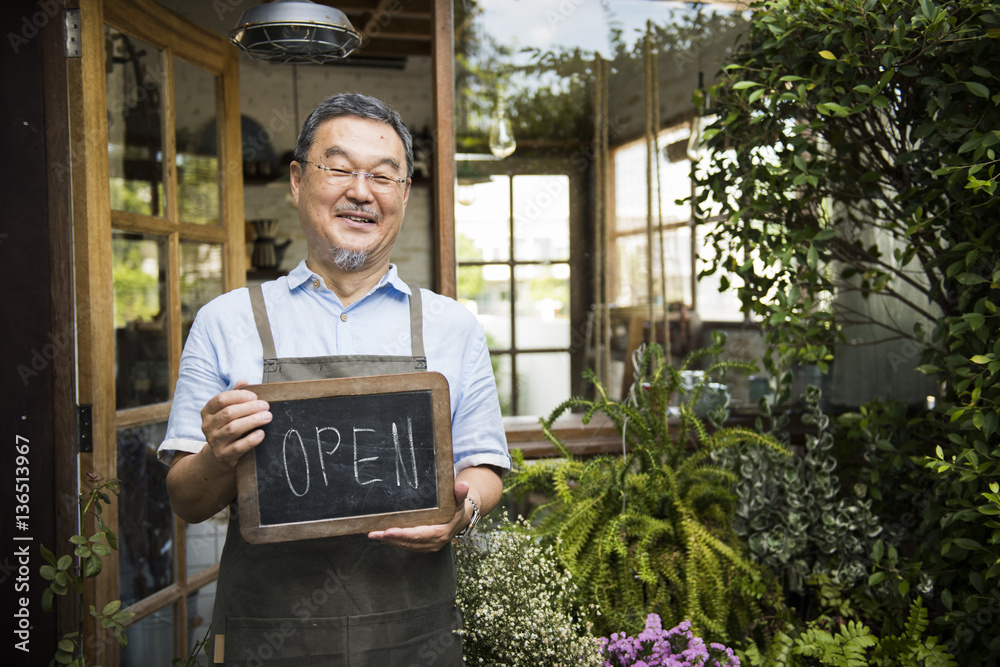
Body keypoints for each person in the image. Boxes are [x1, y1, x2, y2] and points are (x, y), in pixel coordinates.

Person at [158, 92, 510, 665]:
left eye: (383, 175)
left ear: (404, 194)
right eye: (339, 169)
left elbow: (484, 465)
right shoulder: (227, 321)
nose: (361, 191)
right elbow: (186, 499)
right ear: (298, 181)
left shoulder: (453, 326)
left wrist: (463, 512)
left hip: (413, 634)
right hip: (264, 635)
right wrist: (219, 456)